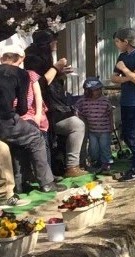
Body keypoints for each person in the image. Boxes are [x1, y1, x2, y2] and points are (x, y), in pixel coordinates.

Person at [24, 31, 84, 177]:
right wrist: (56, 67)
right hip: (45, 111)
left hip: (53, 109)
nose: (56, 44)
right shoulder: (33, 59)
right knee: (77, 125)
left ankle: (69, 165)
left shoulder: (40, 57)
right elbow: (41, 83)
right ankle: (72, 166)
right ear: (48, 43)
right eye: (54, 41)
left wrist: (60, 72)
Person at [0, 51, 55, 193]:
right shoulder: (21, 73)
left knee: (17, 140)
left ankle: (20, 183)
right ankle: (46, 183)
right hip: (5, 120)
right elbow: (23, 108)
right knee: (35, 137)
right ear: (20, 58)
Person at [111, 27, 135, 180]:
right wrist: (129, 76)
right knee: (126, 135)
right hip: (126, 101)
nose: (116, 44)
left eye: (117, 42)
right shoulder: (121, 56)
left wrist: (125, 70)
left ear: (126, 42)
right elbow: (114, 78)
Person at [75, 78, 113, 173]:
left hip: (104, 129)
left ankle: (106, 163)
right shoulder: (83, 101)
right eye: (95, 90)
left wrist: (112, 125)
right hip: (92, 130)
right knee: (93, 149)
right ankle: (96, 160)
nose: (98, 91)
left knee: (105, 147)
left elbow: (110, 113)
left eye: (99, 89)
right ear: (87, 91)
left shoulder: (105, 101)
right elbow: (76, 110)